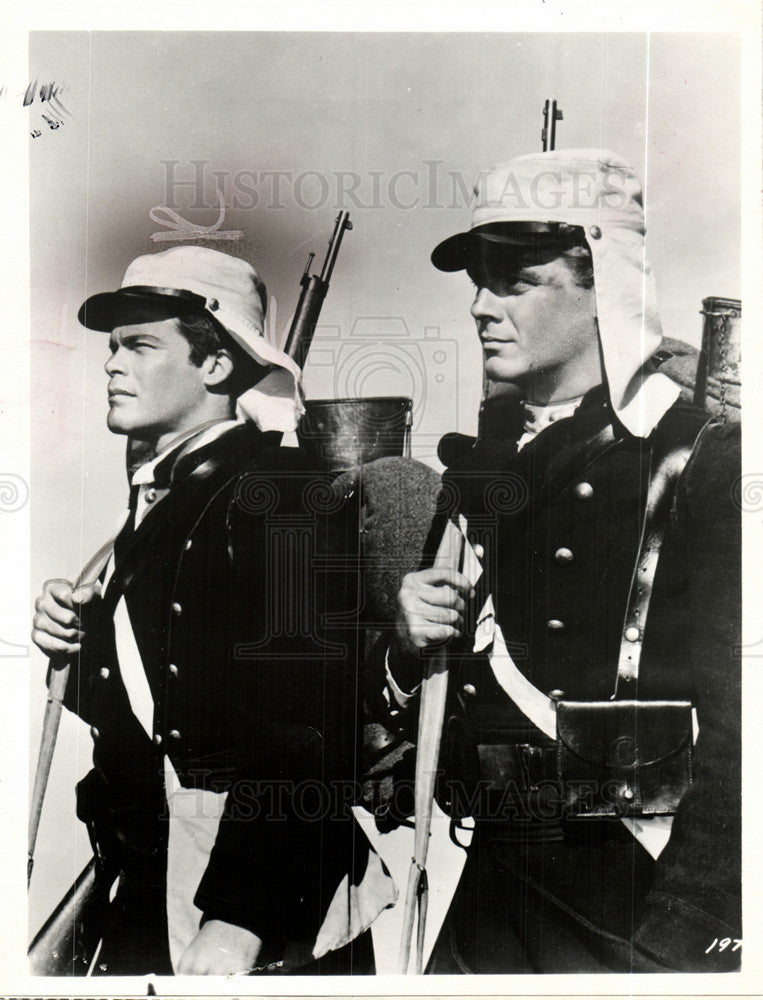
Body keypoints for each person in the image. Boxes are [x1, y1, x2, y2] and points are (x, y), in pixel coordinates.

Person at [383, 149, 741, 973]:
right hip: (493, 885)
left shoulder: (701, 462)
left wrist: (681, 937)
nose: (479, 307)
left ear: (602, 286)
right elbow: (408, 717)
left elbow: (741, 736)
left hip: (631, 901)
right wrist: (405, 649)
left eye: (515, 281)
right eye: (477, 282)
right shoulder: (480, 473)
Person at [31, 246, 379, 975]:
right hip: (149, 876)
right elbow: (163, 714)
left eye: (140, 345)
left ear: (216, 366)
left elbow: (308, 723)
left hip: (250, 900)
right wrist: (82, 641)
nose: (111, 364)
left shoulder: (284, 494)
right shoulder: (167, 499)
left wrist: (239, 918)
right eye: (113, 347)